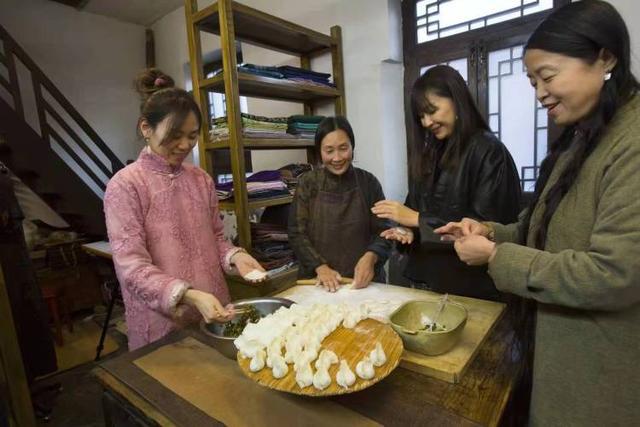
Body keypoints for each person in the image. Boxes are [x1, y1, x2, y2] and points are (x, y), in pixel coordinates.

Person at [436, 1, 640, 425]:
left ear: (605, 57)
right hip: (554, 348)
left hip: (597, 369)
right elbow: (546, 231)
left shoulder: (631, 142)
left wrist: (494, 256)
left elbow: (614, 274)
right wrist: (490, 232)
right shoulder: (584, 136)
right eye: (532, 82)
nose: (540, 93)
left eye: (547, 76)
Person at [104, 69, 265, 350]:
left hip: (214, 308)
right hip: (163, 320)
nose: (185, 145)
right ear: (146, 128)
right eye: (175, 135)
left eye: (192, 136)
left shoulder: (200, 179)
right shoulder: (126, 185)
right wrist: (187, 295)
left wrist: (237, 256)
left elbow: (215, 237)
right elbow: (131, 267)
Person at [372, 65, 521, 300]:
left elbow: (488, 226)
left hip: (469, 286)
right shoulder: (431, 153)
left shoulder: (488, 151)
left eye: (431, 110)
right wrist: (406, 230)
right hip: (426, 278)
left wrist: (415, 219)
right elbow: (414, 206)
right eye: (421, 115)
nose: (426, 122)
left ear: (456, 100)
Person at [288, 116, 390, 292]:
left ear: (352, 146)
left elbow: (385, 231)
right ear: (319, 152)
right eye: (329, 151)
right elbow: (297, 233)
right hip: (319, 282)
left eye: (343, 148)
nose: (337, 158)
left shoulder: (369, 182)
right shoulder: (308, 183)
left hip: (362, 283)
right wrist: (319, 266)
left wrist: (371, 257)